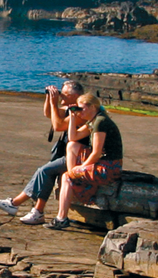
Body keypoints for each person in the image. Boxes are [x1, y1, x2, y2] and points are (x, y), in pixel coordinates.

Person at [0, 80, 86, 224]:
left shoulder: (81, 111)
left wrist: (55, 104)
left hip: (80, 156)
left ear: (77, 96)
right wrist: (49, 98)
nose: (62, 98)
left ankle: (35, 211)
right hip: (70, 154)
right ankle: (16, 204)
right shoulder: (70, 107)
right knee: (43, 171)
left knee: (44, 171)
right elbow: (48, 113)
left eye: (65, 95)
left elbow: (58, 125)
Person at [47, 94, 122, 230]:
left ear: (92, 107)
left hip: (109, 167)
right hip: (102, 162)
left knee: (66, 176)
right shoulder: (94, 121)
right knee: (72, 145)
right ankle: (75, 179)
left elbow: (96, 153)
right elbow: (73, 137)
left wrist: (80, 168)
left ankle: (61, 218)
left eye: (81, 109)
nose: (80, 112)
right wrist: (72, 119)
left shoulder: (100, 122)